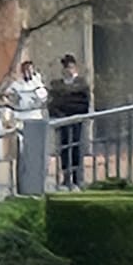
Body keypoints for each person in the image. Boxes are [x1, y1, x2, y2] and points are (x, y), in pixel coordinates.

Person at [46, 53, 90, 188]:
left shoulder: (81, 83)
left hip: (76, 119)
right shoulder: (57, 85)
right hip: (62, 119)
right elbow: (53, 103)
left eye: (70, 67)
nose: (68, 70)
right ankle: (66, 176)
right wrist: (58, 114)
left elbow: (83, 102)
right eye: (66, 67)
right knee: (64, 149)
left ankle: (77, 177)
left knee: (76, 147)